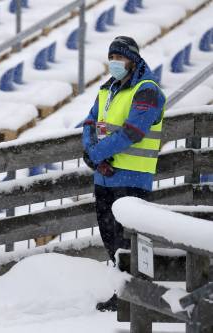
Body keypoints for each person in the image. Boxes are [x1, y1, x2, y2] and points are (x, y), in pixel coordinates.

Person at [82, 36, 166, 269]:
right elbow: (89, 123)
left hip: (133, 178)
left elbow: (133, 132)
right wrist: (92, 155)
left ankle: (133, 293)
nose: (114, 62)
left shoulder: (147, 90)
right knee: (111, 238)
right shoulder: (107, 89)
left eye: (119, 57)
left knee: (131, 241)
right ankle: (121, 289)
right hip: (105, 176)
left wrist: (96, 154)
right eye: (111, 57)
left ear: (132, 59)